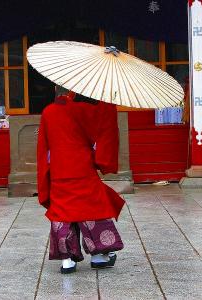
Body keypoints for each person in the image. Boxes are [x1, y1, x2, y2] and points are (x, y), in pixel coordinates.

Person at [37, 85, 125, 274]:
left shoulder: (47, 112)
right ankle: (99, 256)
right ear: (72, 92)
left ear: (55, 90)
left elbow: (44, 147)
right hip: (82, 168)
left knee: (63, 213)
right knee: (92, 208)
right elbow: (102, 127)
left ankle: (67, 260)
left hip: (60, 170)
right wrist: (108, 100)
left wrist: (46, 173)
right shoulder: (82, 109)